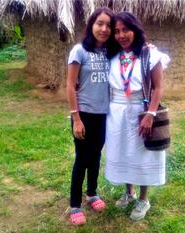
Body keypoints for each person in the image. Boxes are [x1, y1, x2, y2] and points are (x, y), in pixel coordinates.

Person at [104, 11, 170, 221]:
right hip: (117, 112)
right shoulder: (112, 55)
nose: (121, 35)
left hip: (140, 110)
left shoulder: (150, 55)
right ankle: (129, 192)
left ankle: (143, 199)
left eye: (126, 30)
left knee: (142, 153)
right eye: (117, 31)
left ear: (135, 30)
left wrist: (150, 114)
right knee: (124, 151)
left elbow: (158, 88)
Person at [66, 7, 115, 225]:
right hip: (83, 114)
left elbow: (132, 49)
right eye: (100, 23)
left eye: (108, 25)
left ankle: (92, 194)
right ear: (91, 25)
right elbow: (69, 85)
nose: (104, 29)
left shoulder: (110, 52)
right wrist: (76, 118)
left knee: (95, 157)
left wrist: (147, 48)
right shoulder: (79, 51)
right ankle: (75, 204)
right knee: (82, 159)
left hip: (103, 115)